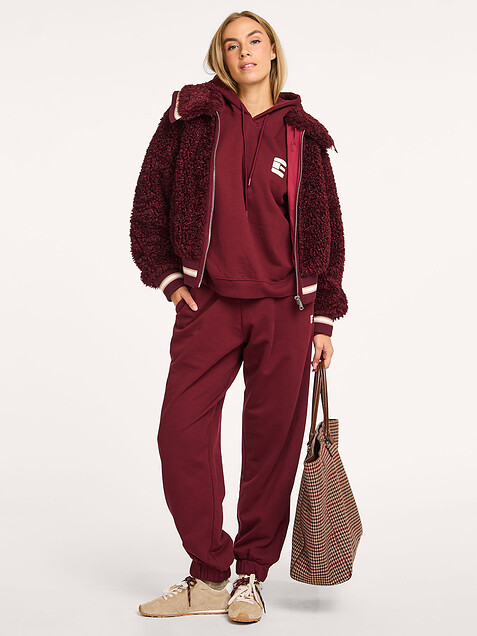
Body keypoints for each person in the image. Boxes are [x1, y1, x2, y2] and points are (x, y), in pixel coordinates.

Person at [129, 10, 348, 624]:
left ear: (272, 51)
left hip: (288, 309)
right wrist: (168, 278)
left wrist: (324, 318)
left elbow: (328, 230)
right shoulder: (190, 119)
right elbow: (148, 203)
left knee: (271, 445)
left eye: (254, 41)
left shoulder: (304, 135)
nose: (244, 52)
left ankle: (250, 574)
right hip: (209, 304)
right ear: (220, 57)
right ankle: (207, 572)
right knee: (180, 433)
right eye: (231, 45)